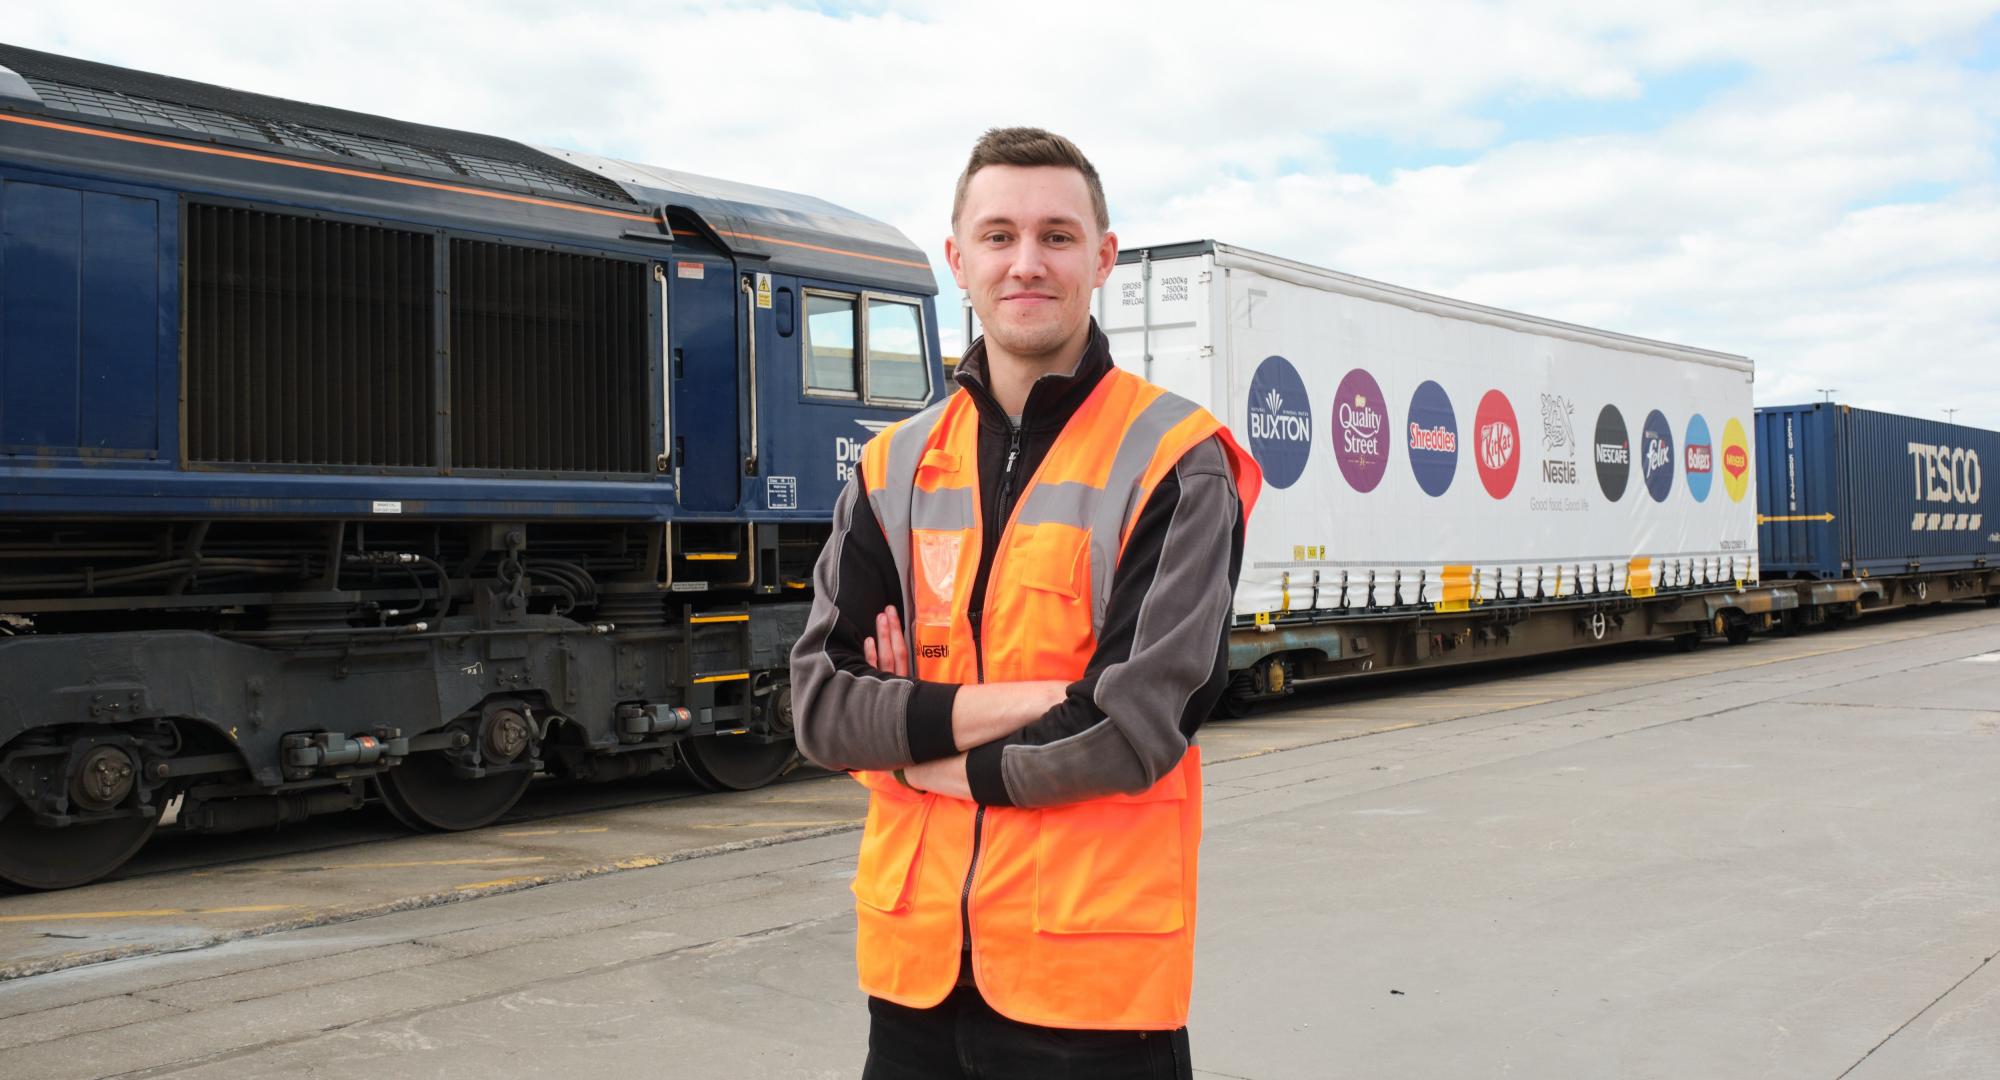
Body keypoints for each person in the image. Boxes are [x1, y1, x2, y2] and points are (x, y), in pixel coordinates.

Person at [790, 126, 1260, 1080]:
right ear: (959, 259)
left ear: (1103, 257)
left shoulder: (1175, 457)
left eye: (1056, 234)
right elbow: (822, 710)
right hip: (914, 983)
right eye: (999, 236)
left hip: (1091, 991)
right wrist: (1045, 695)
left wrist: (922, 755)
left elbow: (1129, 730)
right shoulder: (892, 467)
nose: (1027, 262)